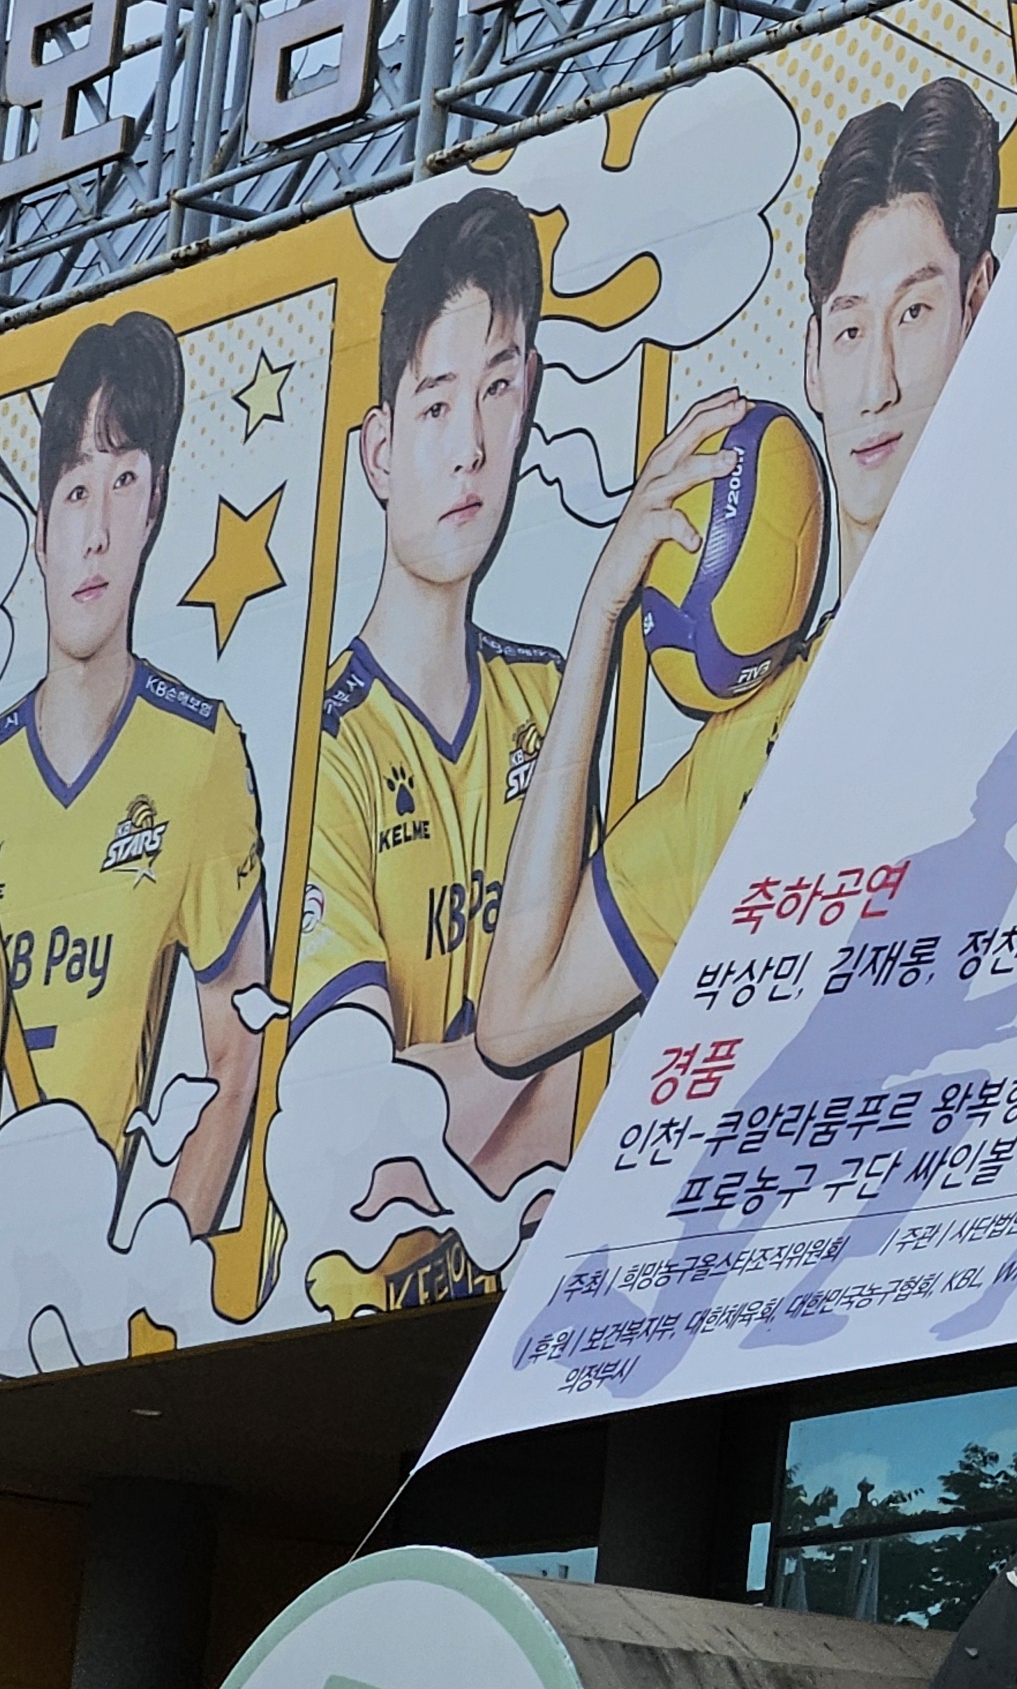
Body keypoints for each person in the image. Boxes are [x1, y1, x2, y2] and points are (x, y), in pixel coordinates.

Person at [478, 80, 1002, 1075]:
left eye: (917, 311)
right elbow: (516, 1017)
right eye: (850, 328)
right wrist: (599, 617)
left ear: (981, 306)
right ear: (810, 360)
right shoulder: (754, 745)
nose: (878, 383)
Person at [303, 186, 569, 1308]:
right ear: (378, 449)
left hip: (542, 1313)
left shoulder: (558, 701)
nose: (470, 448)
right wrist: (553, 1036)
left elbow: (615, 1072)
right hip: (340, 1331)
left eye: (498, 390)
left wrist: (464, 1089)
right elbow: (355, 1149)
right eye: (436, 403)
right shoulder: (321, 749)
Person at [0, 314, 268, 1232]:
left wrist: (152, 1268)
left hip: (92, 1272)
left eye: (124, 483)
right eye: (77, 490)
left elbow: (237, 1053)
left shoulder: (199, 752)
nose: (99, 532)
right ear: (41, 530)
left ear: (154, 507)